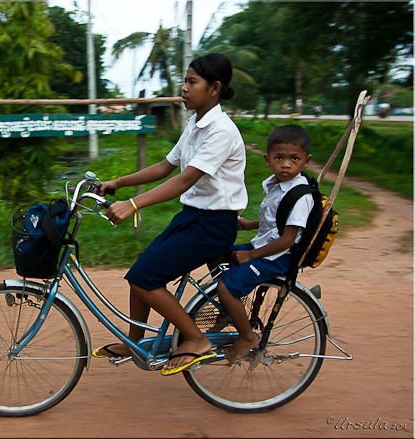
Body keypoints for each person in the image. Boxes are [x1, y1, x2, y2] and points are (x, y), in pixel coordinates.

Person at [92, 53, 248, 376]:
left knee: (144, 277)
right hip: (193, 217)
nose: (184, 88)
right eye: (186, 81)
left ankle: (195, 338)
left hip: (213, 225)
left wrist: (133, 205)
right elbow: (166, 166)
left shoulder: (221, 130)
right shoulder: (195, 124)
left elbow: (186, 178)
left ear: (215, 88)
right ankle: (135, 342)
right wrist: (118, 183)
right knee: (140, 274)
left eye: (193, 82)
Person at [211, 124, 315, 363]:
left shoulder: (300, 195)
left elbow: (288, 238)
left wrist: (251, 256)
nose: (286, 164)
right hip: (265, 246)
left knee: (226, 288)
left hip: (277, 256)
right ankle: (230, 311)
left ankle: (247, 337)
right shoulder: (276, 185)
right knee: (215, 253)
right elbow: (278, 220)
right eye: (279, 158)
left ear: (306, 161)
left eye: (294, 159)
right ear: (268, 159)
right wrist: (250, 225)